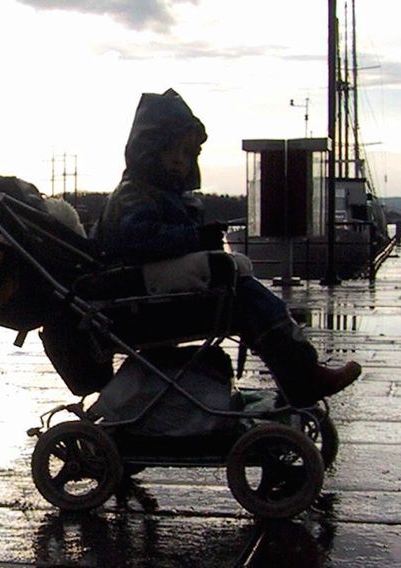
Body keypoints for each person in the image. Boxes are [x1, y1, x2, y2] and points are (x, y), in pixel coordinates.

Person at [95, 89, 361, 407]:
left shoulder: (154, 193)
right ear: (148, 151)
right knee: (248, 299)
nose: (180, 161)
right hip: (142, 306)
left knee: (245, 292)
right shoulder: (134, 195)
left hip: (150, 298)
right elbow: (140, 241)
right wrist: (197, 238)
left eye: (187, 154)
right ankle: (303, 375)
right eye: (170, 151)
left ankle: (300, 375)